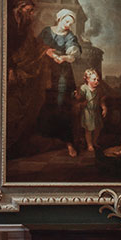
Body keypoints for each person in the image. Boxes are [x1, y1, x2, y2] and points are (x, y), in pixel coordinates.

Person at [39, 10, 83, 155]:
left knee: (62, 104)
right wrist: (47, 52)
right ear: (59, 19)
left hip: (62, 73)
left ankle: (68, 142)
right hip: (45, 72)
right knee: (44, 102)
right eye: (66, 21)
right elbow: (35, 46)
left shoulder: (70, 36)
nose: (68, 25)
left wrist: (64, 57)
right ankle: (46, 139)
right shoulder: (46, 31)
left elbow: (73, 52)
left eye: (71, 23)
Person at [73, 68, 107, 154]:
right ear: (87, 79)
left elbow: (101, 100)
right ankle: (89, 144)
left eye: (97, 80)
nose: (97, 81)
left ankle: (94, 141)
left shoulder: (99, 90)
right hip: (87, 112)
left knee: (97, 128)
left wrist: (104, 107)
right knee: (88, 129)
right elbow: (79, 98)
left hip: (96, 112)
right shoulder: (84, 88)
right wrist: (77, 95)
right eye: (94, 79)